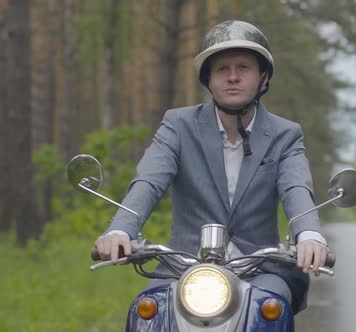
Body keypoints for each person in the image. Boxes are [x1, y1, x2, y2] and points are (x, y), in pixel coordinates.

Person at [93, 20, 329, 313]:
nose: (232, 77)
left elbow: (296, 187)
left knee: (272, 309)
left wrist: (309, 236)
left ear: (262, 77)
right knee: (148, 310)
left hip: (260, 270)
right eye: (221, 69)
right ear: (209, 79)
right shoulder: (178, 126)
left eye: (243, 67)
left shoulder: (285, 134)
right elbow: (149, 181)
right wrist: (120, 230)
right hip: (183, 267)